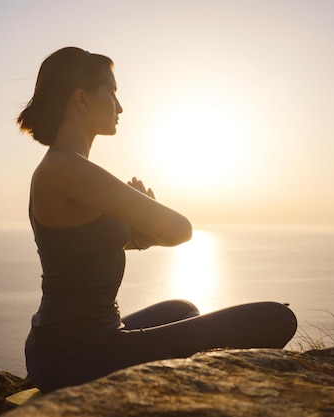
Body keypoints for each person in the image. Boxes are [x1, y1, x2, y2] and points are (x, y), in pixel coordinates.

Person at [17, 46, 297, 393]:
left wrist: (141, 228)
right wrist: (142, 211)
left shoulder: (65, 167)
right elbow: (182, 229)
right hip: (76, 358)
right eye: (113, 93)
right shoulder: (66, 168)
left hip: (81, 344)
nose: (120, 107)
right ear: (81, 99)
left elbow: (133, 240)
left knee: (184, 308)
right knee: (277, 317)